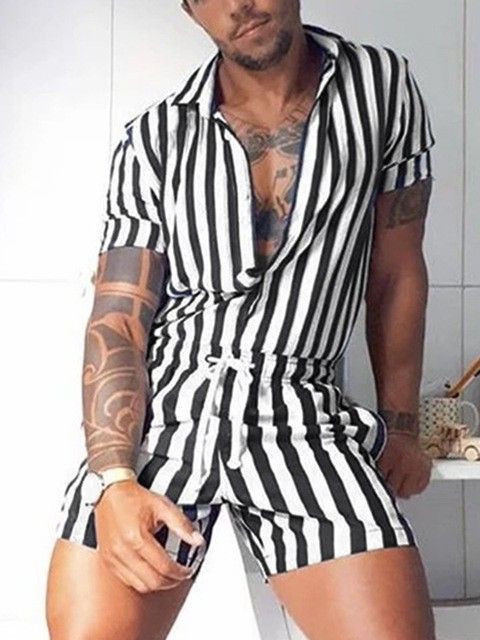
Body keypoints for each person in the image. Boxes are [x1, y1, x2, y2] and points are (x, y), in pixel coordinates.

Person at [46, 1, 437, 638]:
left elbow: (396, 272)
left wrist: (401, 425)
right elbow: (119, 315)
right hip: (167, 420)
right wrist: (114, 479)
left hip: (303, 417)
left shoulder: (381, 86)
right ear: (189, 9)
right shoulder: (154, 137)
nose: (238, 5)